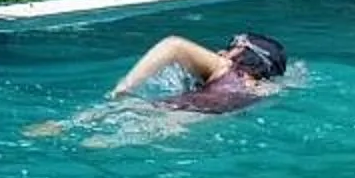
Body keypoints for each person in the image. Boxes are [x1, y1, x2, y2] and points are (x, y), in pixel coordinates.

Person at [109, 31, 290, 115]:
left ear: (242, 50)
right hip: (186, 122)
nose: (222, 50)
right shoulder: (263, 90)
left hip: (158, 112)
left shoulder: (225, 66)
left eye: (232, 46)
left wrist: (124, 87)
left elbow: (174, 45)